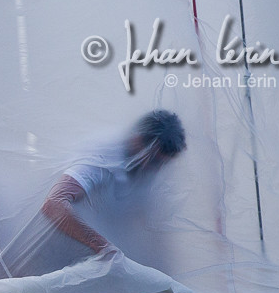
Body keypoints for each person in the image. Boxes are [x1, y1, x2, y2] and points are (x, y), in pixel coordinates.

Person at [40, 109, 186, 257]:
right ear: (137, 138)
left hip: (84, 254)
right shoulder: (103, 156)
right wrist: (102, 246)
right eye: (153, 158)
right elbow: (53, 204)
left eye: (159, 164)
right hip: (50, 246)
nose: (151, 166)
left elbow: (145, 225)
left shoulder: (146, 174)